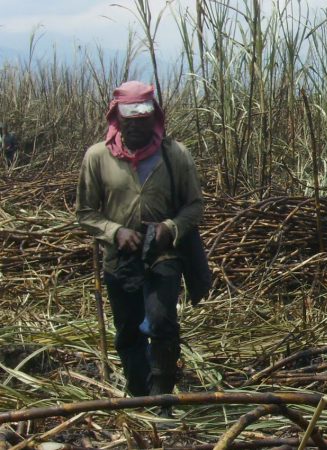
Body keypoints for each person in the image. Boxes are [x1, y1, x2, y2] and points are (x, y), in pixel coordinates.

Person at [76, 81, 203, 413]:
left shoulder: (175, 156)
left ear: (154, 117)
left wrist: (171, 228)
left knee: (162, 321)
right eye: (128, 117)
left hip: (163, 253)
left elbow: (194, 206)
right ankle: (138, 395)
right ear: (117, 117)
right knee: (128, 330)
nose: (136, 125)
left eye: (143, 117)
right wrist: (115, 231)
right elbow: (85, 213)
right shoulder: (97, 157)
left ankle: (162, 398)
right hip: (119, 258)